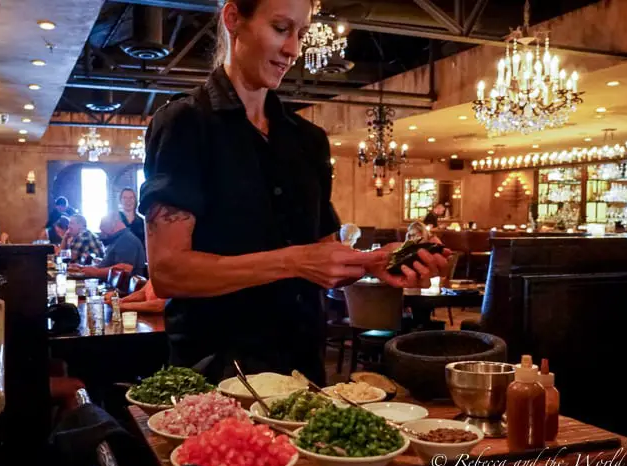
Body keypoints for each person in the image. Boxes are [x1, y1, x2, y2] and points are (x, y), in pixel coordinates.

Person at [138, 0, 449, 385]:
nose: (294, 50)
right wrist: (295, 261)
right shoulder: (184, 124)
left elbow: (323, 257)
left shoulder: (308, 140)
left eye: (301, 34)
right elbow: (169, 273)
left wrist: (375, 263)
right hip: (216, 372)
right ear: (234, 19)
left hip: (303, 366)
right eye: (281, 29)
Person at [71, 213, 146, 279]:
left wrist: (96, 272)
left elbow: (125, 268)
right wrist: (84, 268)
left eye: (103, 225)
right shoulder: (118, 239)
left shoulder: (127, 239)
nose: (100, 229)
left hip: (121, 292)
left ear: (115, 223)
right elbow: (110, 265)